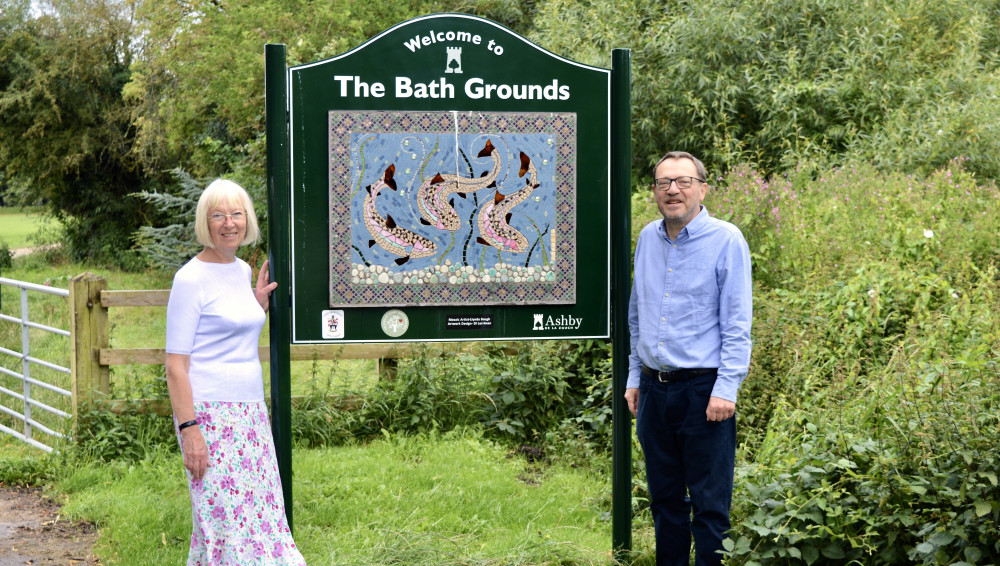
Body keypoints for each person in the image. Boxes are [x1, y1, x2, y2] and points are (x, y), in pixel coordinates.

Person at [165, 179, 306, 565]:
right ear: (204, 222)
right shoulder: (189, 278)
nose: (229, 223)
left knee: (261, 518)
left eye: (237, 214)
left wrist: (255, 305)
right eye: (218, 215)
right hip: (208, 417)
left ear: (247, 219)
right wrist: (189, 429)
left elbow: (229, 333)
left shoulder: (241, 269)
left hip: (250, 414)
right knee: (223, 522)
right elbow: (175, 366)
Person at [625, 151, 752, 566]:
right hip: (653, 391)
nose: (673, 190)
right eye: (664, 184)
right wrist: (633, 378)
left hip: (704, 393)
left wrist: (726, 389)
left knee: (710, 506)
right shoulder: (648, 237)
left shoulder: (726, 239)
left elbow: (736, 323)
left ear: (702, 187)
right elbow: (637, 313)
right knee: (664, 501)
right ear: (655, 192)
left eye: (682, 181)